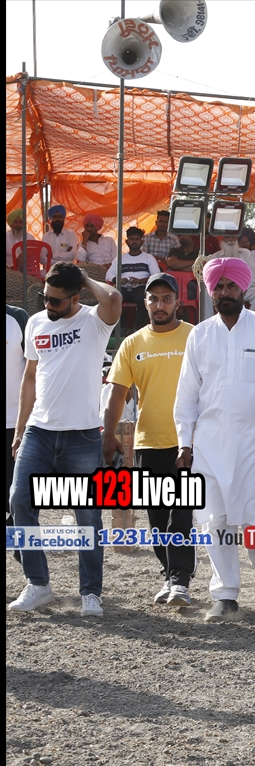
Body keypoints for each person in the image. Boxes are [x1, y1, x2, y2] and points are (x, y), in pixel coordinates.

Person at [174, 257, 255, 623]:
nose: (224, 292)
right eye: (218, 286)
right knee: (214, 521)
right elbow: (187, 393)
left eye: (231, 286)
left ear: (243, 289)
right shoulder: (199, 335)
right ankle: (225, 594)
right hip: (210, 445)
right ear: (210, 291)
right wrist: (184, 443)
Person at [7, 262, 121, 615]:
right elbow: (29, 377)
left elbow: (113, 298)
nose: (47, 305)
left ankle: (90, 593)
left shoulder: (94, 320)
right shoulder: (36, 323)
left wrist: (83, 277)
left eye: (55, 300)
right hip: (39, 431)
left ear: (75, 297)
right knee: (19, 500)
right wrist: (20, 429)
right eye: (45, 297)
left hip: (82, 435)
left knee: (88, 516)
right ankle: (38, 583)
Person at [102, 273, 196, 605]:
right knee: (156, 516)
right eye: (153, 299)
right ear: (145, 303)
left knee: (180, 513)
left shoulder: (194, 336)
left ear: (177, 302)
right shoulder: (132, 343)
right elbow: (118, 393)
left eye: (166, 299)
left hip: (187, 441)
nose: (160, 305)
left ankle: (180, 580)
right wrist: (109, 433)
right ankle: (169, 574)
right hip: (148, 441)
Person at [106, 226, 162, 329]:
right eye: (132, 239)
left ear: (142, 241)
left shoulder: (148, 258)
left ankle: (138, 329)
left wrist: (141, 281)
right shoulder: (120, 258)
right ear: (127, 242)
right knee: (112, 299)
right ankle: (122, 327)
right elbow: (109, 275)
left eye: (137, 239)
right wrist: (118, 280)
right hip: (123, 288)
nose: (134, 242)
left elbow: (156, 276)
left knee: (145, 300)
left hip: (141, 288)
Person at [6, 304, 29, 530]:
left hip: (14, 424)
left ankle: (18, 538)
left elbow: (34, 369)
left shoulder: (17, 318)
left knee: (18, 495)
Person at [203, 235, 255, 309]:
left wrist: (242, 289)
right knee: (206, 292)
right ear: (222, 240)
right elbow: (211, 278)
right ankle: (209, 316)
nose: (231, 239)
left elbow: (252, 276)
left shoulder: (246, 253)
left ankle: (250, 316)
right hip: (221, 289)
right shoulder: (215, 256)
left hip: (244, 289)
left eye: (233, 237)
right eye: (228, 237)